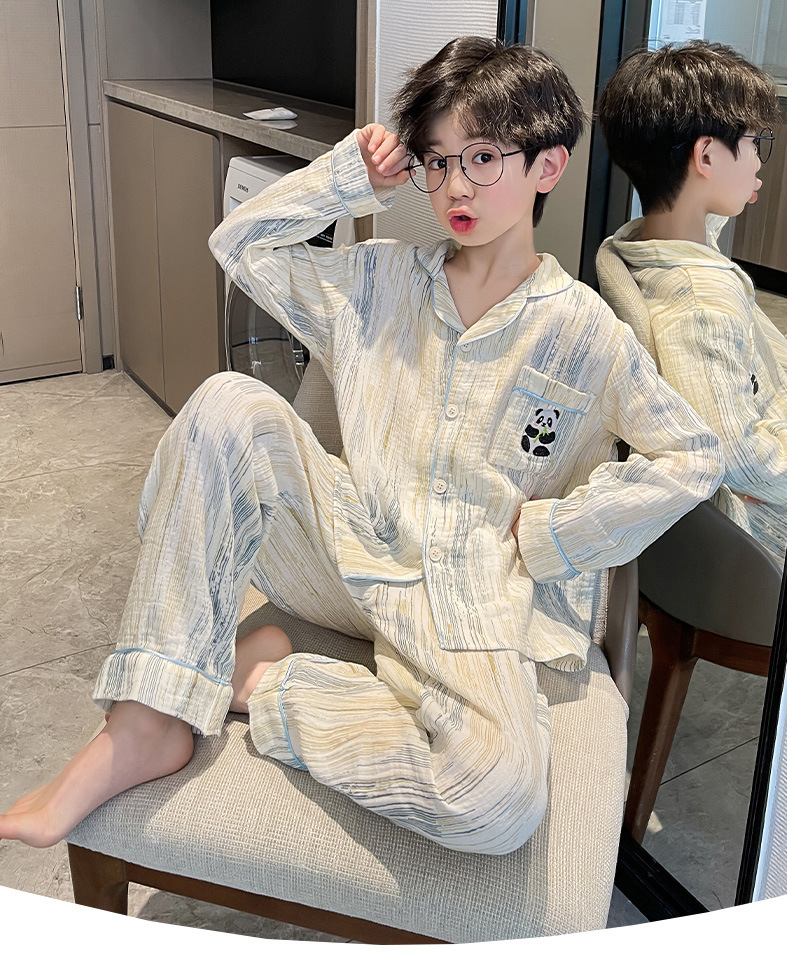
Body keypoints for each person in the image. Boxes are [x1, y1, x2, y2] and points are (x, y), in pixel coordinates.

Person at [0, 36, 723, 857]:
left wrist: (559, 533)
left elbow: (692, 454)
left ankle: (263, 683)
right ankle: (143, 724)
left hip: (468, 593)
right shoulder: (376, 281)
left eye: (484, 157)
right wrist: (348, 178)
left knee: (495, 797)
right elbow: (239, 245)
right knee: (228, 403)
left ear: (548, 166)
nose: (456, 185)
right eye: (437, 161)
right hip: (347, 550)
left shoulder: (585, 331)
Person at [597, 41, 787, 567]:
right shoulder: (702, 303)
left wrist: (724, 190)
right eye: (754, 143)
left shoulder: (639, 244)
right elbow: (739, 457)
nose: (759, 161)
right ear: (705, 157)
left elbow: (707, 221)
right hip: (757, 528)